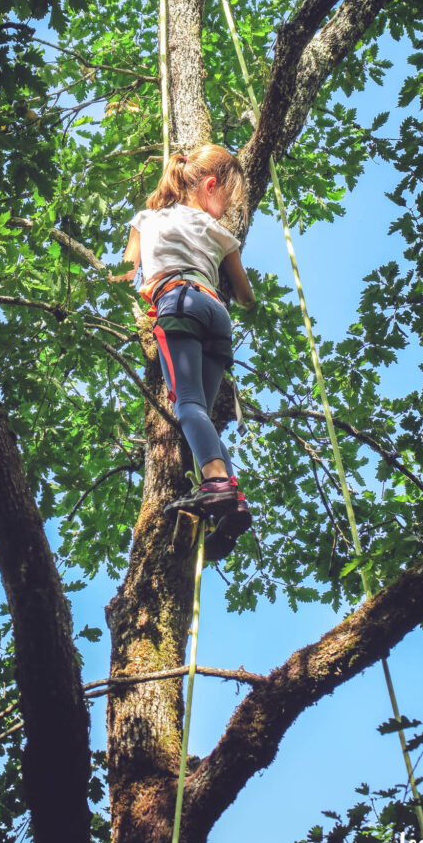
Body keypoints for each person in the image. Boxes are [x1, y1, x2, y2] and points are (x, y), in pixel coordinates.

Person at [118, 144, 255, 560]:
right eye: (226, 200)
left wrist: (140, 280)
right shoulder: (220, 233)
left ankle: (215, 485)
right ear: (210, 186)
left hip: (177, 303)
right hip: (217, 314)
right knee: (204, 413)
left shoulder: (147, 219)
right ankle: (231, 500)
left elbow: (128, 271)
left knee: (189, 405)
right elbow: (245, 296)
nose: (226, 208)